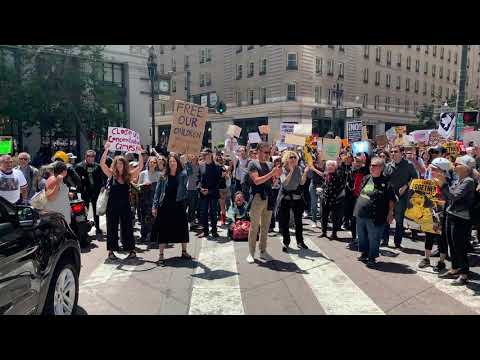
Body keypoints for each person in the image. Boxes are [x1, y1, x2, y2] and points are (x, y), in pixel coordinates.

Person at [434, 155, 476, 286]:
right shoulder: (460, 179)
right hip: (451, 215)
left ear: (465, 168)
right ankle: (455, 268)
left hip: (461, 219)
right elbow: (450, 195)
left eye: (457, 164)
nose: (454, 166)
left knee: (459, 246)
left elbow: (454, 196)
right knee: (452, 244)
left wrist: (443, 184)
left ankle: (464, 274)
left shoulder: (468, 181)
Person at [100, 142, 144, 261]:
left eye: (121, 163)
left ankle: (131, 250)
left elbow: (140, 166)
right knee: (112, 228)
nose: (119, 165)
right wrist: (106, 150)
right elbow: (102, 164)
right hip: (112, 206)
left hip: (125, 205)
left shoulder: (128, 176)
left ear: (124, 165)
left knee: (127, 228)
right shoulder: (111, 174)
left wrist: (139, 152)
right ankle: (111, 252)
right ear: (115, 165)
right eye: (117, 163)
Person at [354, 157, 395, 268]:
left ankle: (372, 257)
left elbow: (391, 199)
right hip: (361, 213)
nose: (371, 167)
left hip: (376, 215)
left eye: (375, 165)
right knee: (361, 235)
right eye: (371, 165)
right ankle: (364, 253)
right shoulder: (366, 178)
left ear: (381, 168)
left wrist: (390, 213)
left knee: (374, 237)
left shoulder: (386, 182)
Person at [152, 153, 192, 265]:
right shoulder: (163, 176)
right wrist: (154, 206)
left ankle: (184, 251)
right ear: (167, 164)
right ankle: (161, 255)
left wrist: (188, 161)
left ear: (177, 163)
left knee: (182, 228)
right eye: (170, 161)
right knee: (163, 230)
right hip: (165, 205)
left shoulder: (182, 174)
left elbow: (190, 171)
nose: (172, 163)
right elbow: (157, 192)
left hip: (179, 204)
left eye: (174, 161)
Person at [246, 142, 282, 263]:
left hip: (269, 196)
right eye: (266, 152)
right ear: (258, 151)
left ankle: (263, 251)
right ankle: (251, 253)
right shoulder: (252, 163)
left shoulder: (270, 164)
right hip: (257, 197)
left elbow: (271, 182)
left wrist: (276, 176)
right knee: (254, 226)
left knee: (265, 227)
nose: (268, 155)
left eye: (268, 152)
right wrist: (272, 173)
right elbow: (256, 181)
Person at [417, 157, 452, 271]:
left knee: (442, 238)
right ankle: (426, 258)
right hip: (430, 212)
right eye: (431, 169)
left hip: (443, 215)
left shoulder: (448, 184)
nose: (431, 172)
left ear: (442, 171)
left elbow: (450, 199)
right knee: (429, 236)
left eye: (434, 170)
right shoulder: (430, 182)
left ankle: (441, 261)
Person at [383, 145, 418, 248]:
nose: (393, 153)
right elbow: (384, 180)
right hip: (390, 197)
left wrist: (406, 186)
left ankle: (397, 242)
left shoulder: (409, 165)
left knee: (399, 221)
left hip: (402, 197)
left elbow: (415, 179)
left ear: (401, 153)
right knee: (387, 219)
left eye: (396, 151)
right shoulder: (388, 165)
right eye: (392, 152)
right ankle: (385, 240)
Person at [278, 150, 309, 252]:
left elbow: (302, 182)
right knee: (285, 222)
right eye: (291, 157)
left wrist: (304, 173)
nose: (293, 159)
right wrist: (291, 171)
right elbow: (285, 183)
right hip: (286, 198)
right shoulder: (282, 169)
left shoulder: (299, 168)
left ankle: (300, 241)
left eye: (295, 157)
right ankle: (286, 242)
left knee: (298, 222)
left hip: (297, 198)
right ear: (286, 158)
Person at [75, 150, 106, 239]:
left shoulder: (97, 166)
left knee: (97, 210)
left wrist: (103, 186)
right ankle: (84, 229)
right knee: (85, 211)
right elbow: (75, 178)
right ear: (85, 156)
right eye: (89, 156)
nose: (91, 158)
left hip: (95, 191)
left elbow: (102, 178)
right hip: (84, 192)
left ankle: (97, 227)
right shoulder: (79, 166)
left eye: (92, 156)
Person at [346, 155, 369, 249]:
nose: (357, 163)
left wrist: (365, 156)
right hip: (352, 199)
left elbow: (368, 163)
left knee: (361, 220)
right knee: (353, 220)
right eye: (356, 161)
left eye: (359, 162)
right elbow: (348, 185)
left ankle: (362, 240)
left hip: (363, 199)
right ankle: (354, 238)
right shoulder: (350, 172)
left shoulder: (366, 171)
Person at [320, 159, 347, 240]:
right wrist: (321, 189)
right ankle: (324, 232)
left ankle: (334, 233)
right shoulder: (326, 174)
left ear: (335, 167)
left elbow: (342, 186)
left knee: (335, 218)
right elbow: (325, 185)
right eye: (328, 165)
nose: (330, 167)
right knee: (323, 216)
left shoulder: (339, 174)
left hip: (335, 200)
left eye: (332, 165)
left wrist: (340, 163)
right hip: (325, 199)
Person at [198, 148, 222, 238]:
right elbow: (198, 179)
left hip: (213, 193)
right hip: (203, 193)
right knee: (203, 212)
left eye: (206, 154)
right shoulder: (201, 165)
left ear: (211, 155)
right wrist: (200, 188)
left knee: (213, 212)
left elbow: (218, 182)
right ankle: (205, 231)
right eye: (204, 154)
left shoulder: (217, 166)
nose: (205, 156)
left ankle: (214, 230)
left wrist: (210, 191)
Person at [137, 156, 161, 243]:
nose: (152, 164)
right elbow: (138, 186)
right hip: (144, 198)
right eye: (151, 162)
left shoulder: (159, 174)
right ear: (148, 163)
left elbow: (160, 188)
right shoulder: (143, 173)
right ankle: (143, 235)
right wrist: (144, 184)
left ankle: (152, 235)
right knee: (144, 218)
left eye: (154, 162)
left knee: (153, 218)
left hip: (154, 199)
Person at [185, 154, 201, 227]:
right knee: (191, 206)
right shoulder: (188, 165)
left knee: (195, 206)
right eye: (192, 156)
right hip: (190, 188)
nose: (193, 157)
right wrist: (188, 162)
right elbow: (189, 173)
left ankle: (192, 220)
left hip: (197, 188)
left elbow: (201, 176)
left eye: (195, 156)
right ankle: (191, 221)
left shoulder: (199, 166)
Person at [216, 154, 231, 225]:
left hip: (225, 188)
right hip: (219, 189)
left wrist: (227, 173)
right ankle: (223, 220)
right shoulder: (215, 168)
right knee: (222, 205)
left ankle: (225, 219)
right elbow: (220, 176)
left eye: (221, 160)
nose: (220, 161)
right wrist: (226, 173)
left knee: (227, 204)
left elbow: (228, 177)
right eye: (219, 160)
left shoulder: (225, 167)